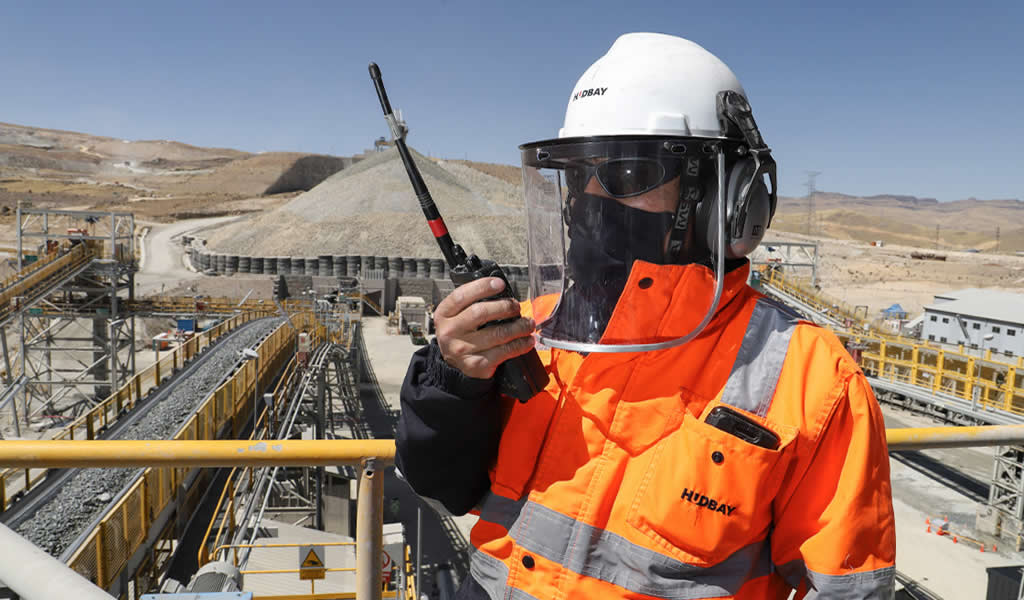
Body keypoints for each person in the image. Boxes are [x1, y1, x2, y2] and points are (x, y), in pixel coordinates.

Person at [397, 33, 895, 599]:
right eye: (578, 173)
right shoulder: (529, 332)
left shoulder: (813, 382)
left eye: (627, 175)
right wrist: (453, 384)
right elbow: (441, 490)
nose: (588, 200)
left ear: (727, 197)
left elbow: (850, 590)